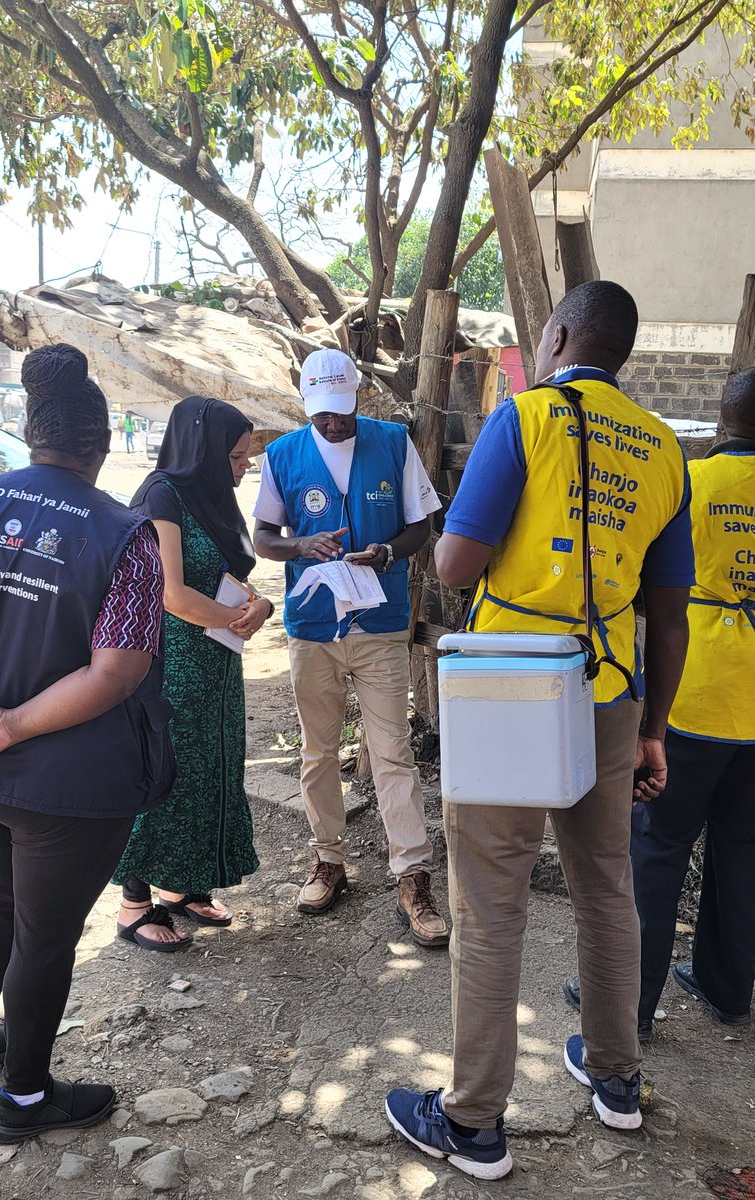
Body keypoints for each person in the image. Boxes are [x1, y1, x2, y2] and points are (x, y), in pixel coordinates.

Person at [385, 281, 694, 1179]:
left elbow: (452, 561)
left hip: (512, 689)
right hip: (615, 696)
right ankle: (617, 1081)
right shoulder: (665, 447)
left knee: (490, 902)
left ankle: (475, 1121)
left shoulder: (525, 420)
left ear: (556, 334)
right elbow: (669, 616)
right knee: (606, 886)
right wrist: (655, 733)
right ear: (624, 353)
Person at [0, 344, 174, 1143]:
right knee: (44, 932)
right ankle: (23, 1098)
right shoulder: (125, 535)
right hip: (64, 789)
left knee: (2, 897)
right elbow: (116, 672)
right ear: (103, 444)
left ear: (31, 432)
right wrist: (8, 725)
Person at [563, 366, 755, 1035]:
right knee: (742, 850)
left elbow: (644, 579)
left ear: (725, 418)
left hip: (695, 698)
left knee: (657, 849)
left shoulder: (694, 482)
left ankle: (628, 1006)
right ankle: (728, 989)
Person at [252, 347, 448, 947]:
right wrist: (300, 546)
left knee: (392, 753)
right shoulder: (283, 455)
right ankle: (328, 859)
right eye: (321, 415)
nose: (332, 423)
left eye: (340, 411)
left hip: (381, 622)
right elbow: (263, 537)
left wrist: (389, 552)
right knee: (318, 753)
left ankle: (412, 876)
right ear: (306, 405)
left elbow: (423, 523)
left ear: (358, 396)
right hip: (313, 627)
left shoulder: (392, 442)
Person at [112, 396, 270, 948]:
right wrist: (238, 618)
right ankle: (134, 905)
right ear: (202, 449)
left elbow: (227, 575)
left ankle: (183, 887)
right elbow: (172, 593)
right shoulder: (162, 495)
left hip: (218, 659)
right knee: (166, 773)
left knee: (210, 770)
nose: (243, 466)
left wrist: (259, 605)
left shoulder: (212, 498)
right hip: (173, 662)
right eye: (234, 456)